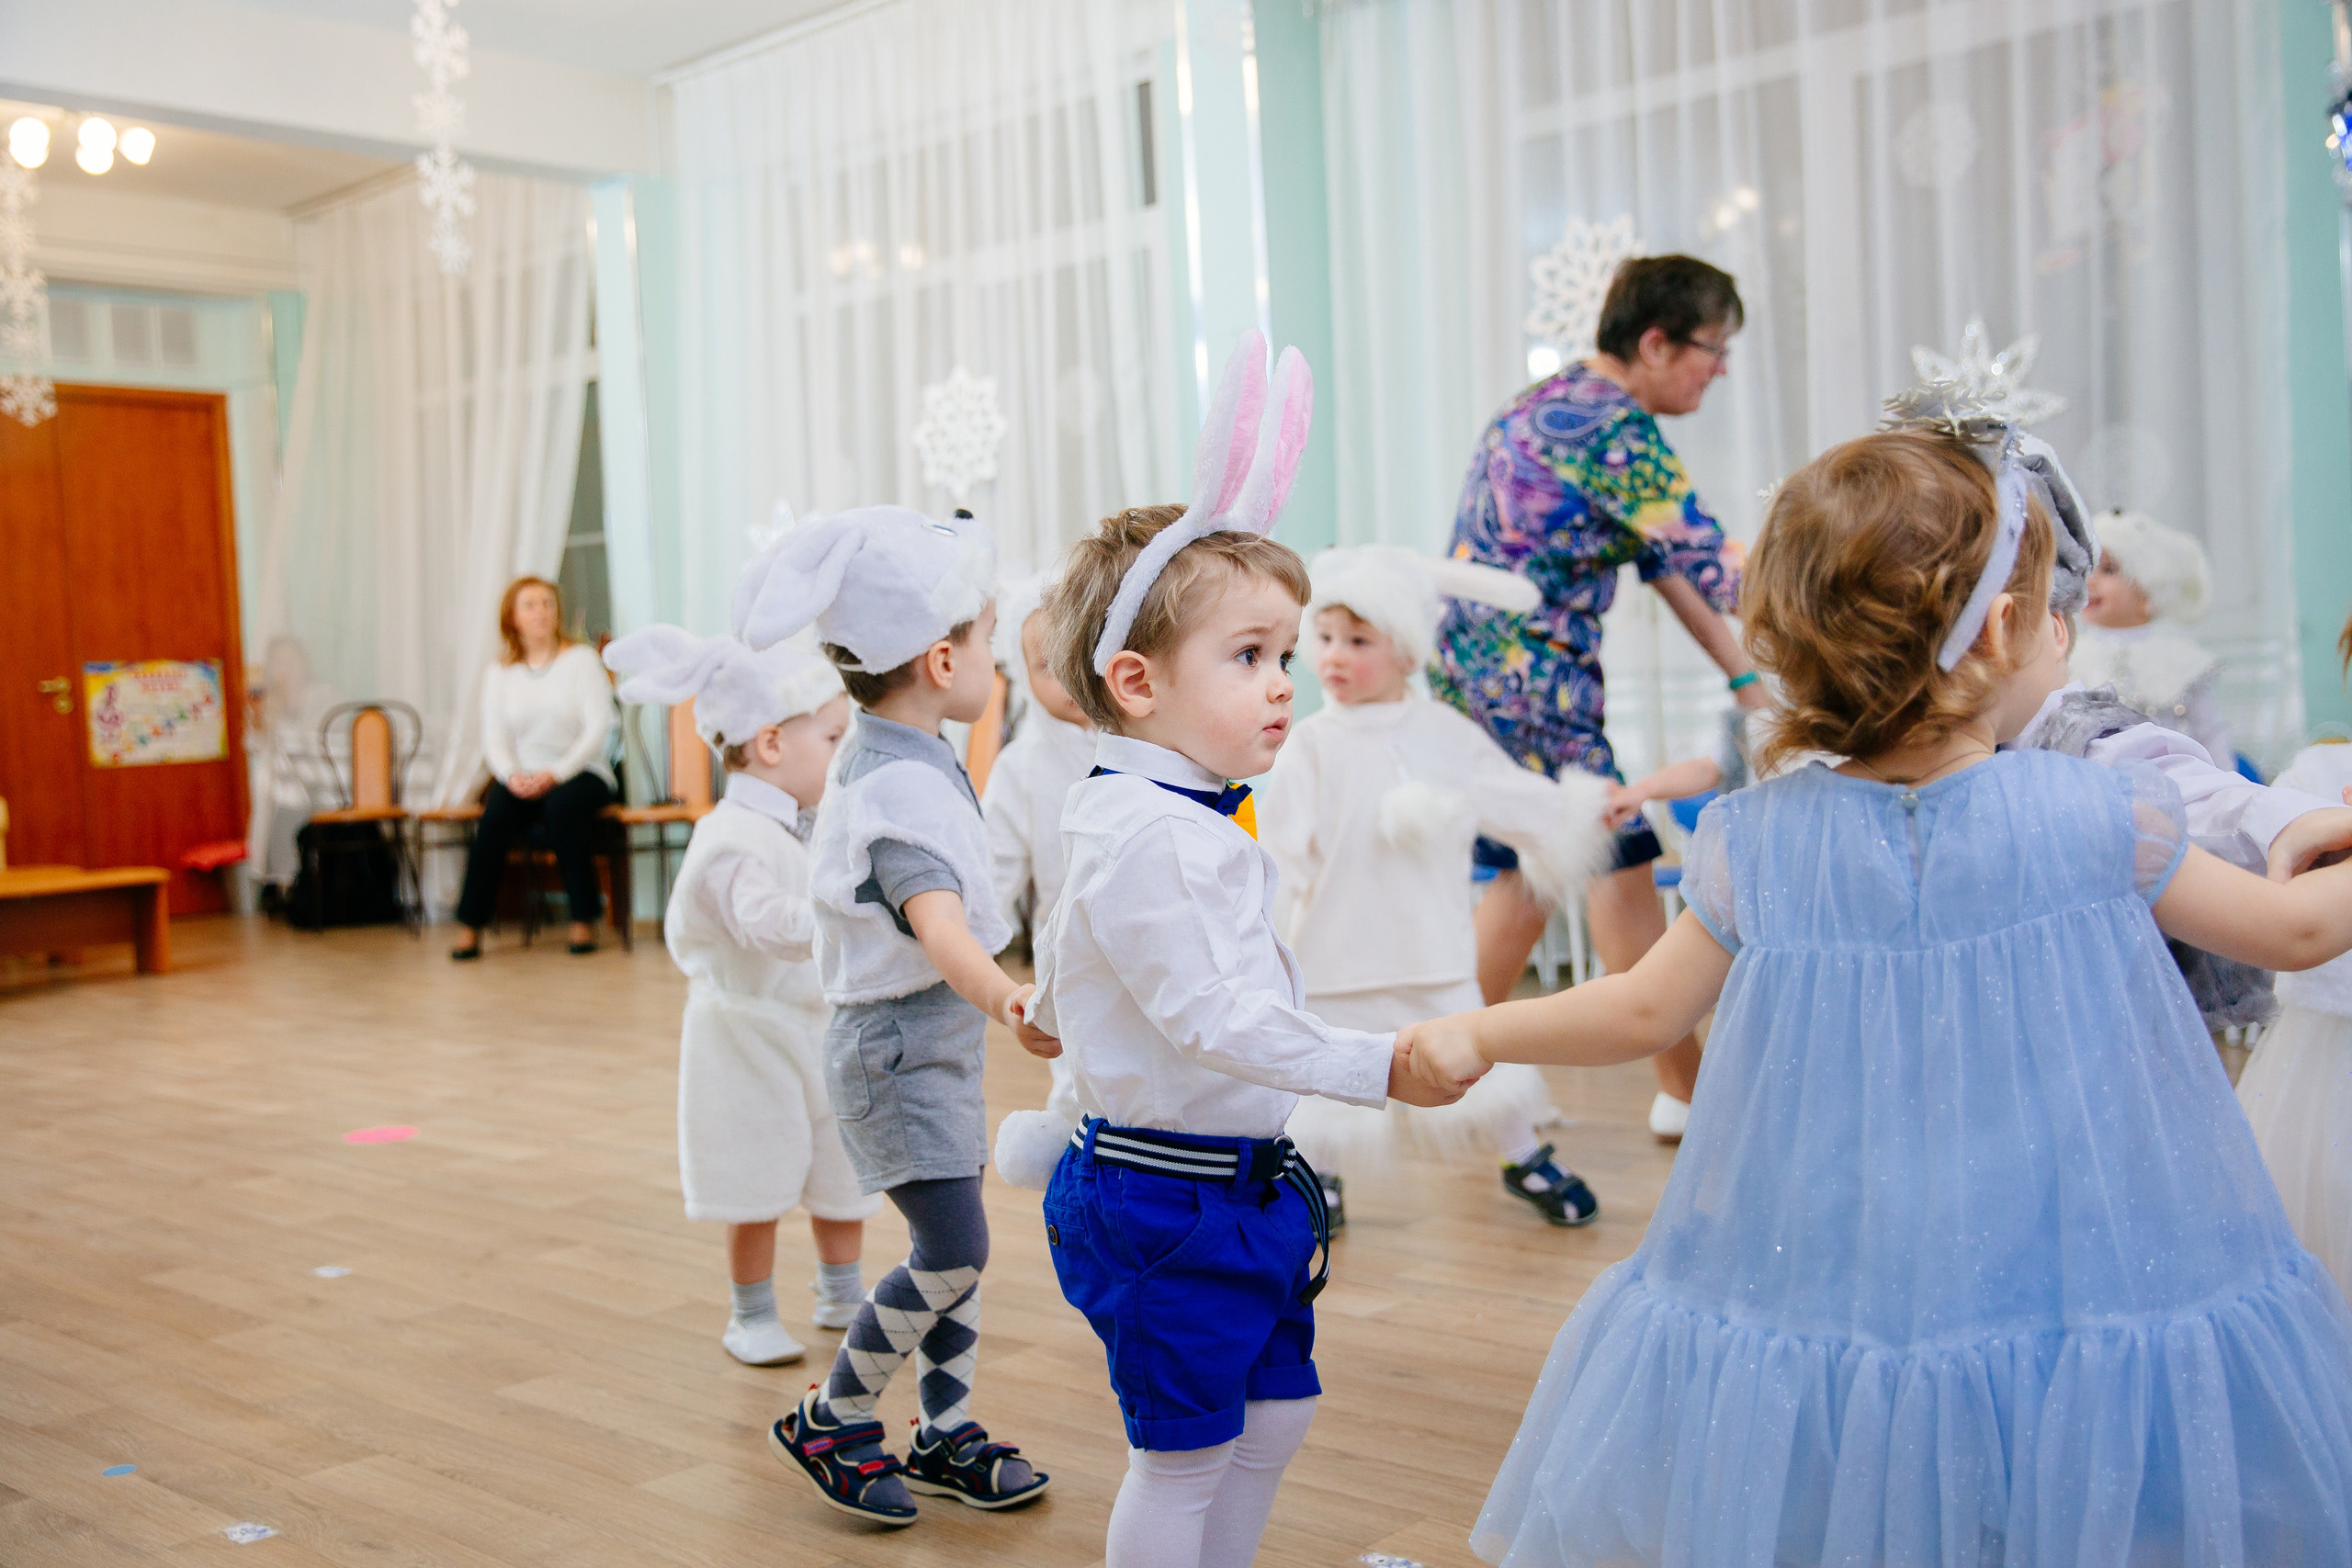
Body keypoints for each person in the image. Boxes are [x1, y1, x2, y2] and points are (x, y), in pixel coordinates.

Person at [1402, 429, 2352, 1565]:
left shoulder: (1757, 842)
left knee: (1879, 1449)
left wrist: (1476, 1029)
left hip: (1850, 1240)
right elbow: (2298, 930)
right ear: (2002, 629)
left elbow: (1641, 1011)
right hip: (2065, 1231)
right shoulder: (2097, 814)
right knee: (2046, 1421)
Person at [1029, 335, 1461, 1568]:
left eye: (1285, 655)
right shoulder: (1158, 832)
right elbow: (1213, 1013)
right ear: (1136, 681)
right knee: (1184, 1453)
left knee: (1274, 1412)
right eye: (1250, 657)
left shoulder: (1154, 809)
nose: (1285, 686)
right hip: (1169, 1198)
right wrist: (1381, 1062)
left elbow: (1073, 940)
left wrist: (1053, 1010)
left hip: (1231, 1180)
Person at [736, 505, 1057, 1525]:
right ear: (939, 659)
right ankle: (831, 1416)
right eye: (988, 642)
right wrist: (1006, 994)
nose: (994, 662)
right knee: (955, 1250)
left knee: (955, 1249)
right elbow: (939, 923)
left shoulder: (905, 750)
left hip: (928, 1046)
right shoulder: (895, 789)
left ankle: (944, 1430)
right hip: (898, 1051)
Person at [1431, 254, 1763, 1143]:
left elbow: (1666, 568)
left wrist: (1744, 677)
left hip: (1478, 672)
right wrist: (1842, 603)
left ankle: (1431, 1068)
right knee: (1612, 847)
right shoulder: (1611, 429)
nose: (1719, 370)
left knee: (1535, 870)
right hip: (1529, 678)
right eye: (1712, 349)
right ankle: (1688, 1091)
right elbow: (1711, 566)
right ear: (1655, 344)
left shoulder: (1548, 405)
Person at [1258, 545, 1611, 1224]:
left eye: (1359, 640)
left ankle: (1522, 1154)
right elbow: (1282, 848)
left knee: (1473, 1054)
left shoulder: (1445, 733)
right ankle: (1319, 1174)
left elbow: (1508, 794)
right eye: (1324, 638)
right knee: (1326, 1066)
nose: (1334, 656)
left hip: (1431, 947)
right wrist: (1259, 928)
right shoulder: (1311, 744)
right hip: (1338, 946)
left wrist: (1582, 810)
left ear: (1407, 652)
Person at [603, 625, 877, 1368]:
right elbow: (766, 924)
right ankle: (750, 1311)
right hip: (746, 1035)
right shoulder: (729, 838)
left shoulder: (814, 826)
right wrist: (846, 913)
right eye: (832, 737)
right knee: (753, 1174)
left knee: (841, 1166)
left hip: (822, 1023)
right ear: (770, 743)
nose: (844, 753)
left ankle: (841, 1290)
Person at [451, 576, 615, 958]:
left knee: (562, 807)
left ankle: (583, 919)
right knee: (495, 814)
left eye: (547, 603)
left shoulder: (581, 660)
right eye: (530, 605)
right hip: (523, 775)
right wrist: (512, 776)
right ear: (513, 617)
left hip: (582, 771)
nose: (541, 612)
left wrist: (556, 773)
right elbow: (494, 739)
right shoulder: (499, 673)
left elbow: (599, 727)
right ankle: (470, 925)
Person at [2071, 507, 2233, 764]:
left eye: (2109, 570)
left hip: (2173, 775)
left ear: (2148, 590)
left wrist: (2222, 780)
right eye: (2086, 569)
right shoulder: (2072, 655)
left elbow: (2210, 732)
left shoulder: (2178, 660)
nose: (2090, 581)